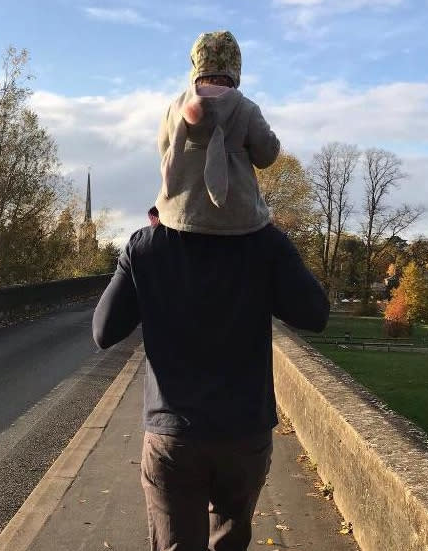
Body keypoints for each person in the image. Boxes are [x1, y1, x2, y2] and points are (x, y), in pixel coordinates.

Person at [93, 30, 329, 551]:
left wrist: (134, 253)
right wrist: (274, 250)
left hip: (173, 432)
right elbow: (314, 314)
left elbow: (104, 333)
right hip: (244, 432)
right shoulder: (264, 245)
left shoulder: (147, 248)